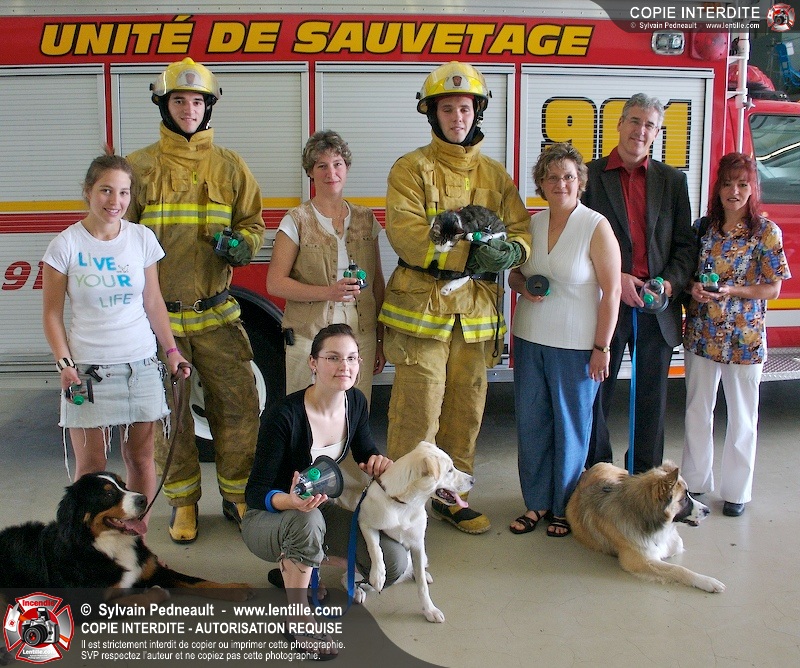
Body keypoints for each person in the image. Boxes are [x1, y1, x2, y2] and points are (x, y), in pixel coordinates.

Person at [379, 61, 531, 535]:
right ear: (433, 114)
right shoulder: (410, 169)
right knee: (418, 411)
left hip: (475, 316)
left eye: (465, 109)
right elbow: (407, 235)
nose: (457, 118)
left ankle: (451, 497)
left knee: (466, 410)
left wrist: (511, 252)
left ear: (476, 112)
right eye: (448, 109)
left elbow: (521, 230)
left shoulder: (495, 175)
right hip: (423, 312)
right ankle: (398, 506)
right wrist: (471, 252)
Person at [126, 58, 265, 543]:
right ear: (163, 106)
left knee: (239, 406)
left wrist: (244, 245)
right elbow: (120, 237)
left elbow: (253, 223)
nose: (189, 109)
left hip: (216, 314)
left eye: (197, 101)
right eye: (179, 101)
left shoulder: (229, 165)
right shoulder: (139, 167)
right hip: (158, 321)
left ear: (209, 108)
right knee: (171, 416)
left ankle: (237, 495)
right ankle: (183, 503)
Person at [42, 154, 191, 529]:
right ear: (88, 191)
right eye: (106, 190)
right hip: (87, 373)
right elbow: (51, 315)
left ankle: (135, 539)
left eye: (123, 192)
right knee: (91, 467)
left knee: (140, 458)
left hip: (140, 366)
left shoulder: (141, 239)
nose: (115, 201)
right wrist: (65, 365)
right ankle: (88, 547)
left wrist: (172, 352)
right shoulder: (65, 245)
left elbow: (153, 302)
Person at [241, 324, 407, 657]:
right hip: (267, 517)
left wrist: (377, 462)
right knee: (306, 519)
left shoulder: (355, 402)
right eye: (333, 358)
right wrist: (290, 501)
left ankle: (298, 564)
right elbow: (255, 492)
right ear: (313, 363)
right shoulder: (284, 416)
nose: (344, 366)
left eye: (352, 358)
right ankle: (298, 619)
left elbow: (364, 450)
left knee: (393, 562)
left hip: (314, 509)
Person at [507, 143, 621, 538]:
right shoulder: (532, 225)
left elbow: (612, 292)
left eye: (569, 176)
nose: (561, 184)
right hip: (530, 338)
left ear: (580, 182)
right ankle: (536, 502)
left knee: (571, 428)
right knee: (532, 424)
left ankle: (564, 507)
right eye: (552, 177)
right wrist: (523, 287)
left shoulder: (595, 226)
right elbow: (515, 275)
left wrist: (601, 348)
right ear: (540, 183)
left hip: (576, 347)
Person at [582, 92, 696, 474]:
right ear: (619, 124)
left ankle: (647, 480)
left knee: (652, 403)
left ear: (657, 132)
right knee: (596, 397)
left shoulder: (673, 181)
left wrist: (667, 285)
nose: (640, 130)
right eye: (634, 120)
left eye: (650, 125)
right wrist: (616, 278)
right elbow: (577, 243)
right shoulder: (589, 177)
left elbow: (685, 246)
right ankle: (598, 476)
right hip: (606, 305)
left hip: (656, 309)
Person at [681, 153, 790, 517]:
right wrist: (694, 288)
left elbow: (773, 289)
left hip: (745, 339)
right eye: (728, 183)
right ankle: (695, 482)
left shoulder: (766, 232)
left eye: (743, 184)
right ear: (718, 188)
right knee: (697, 411)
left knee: (743, 418)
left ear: (752, 188)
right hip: (702, 335)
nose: (734, 191)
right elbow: (687, 274)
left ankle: (736, 493)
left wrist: (733, 290)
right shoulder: (702, 229)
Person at [267, 130, 385, 404]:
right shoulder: (296, 220)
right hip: (310, 337)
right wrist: (329, 292)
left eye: (337, 164)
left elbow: (378, 283)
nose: (331, 172)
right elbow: (275, 283)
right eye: (321, 166)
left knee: (355, 412)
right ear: (310, 172)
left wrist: (380, 339)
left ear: (347, 168)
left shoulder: (366, 219)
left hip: (361, 336)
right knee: (307, 414)